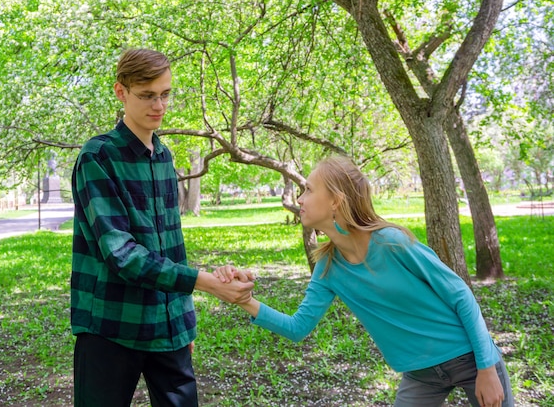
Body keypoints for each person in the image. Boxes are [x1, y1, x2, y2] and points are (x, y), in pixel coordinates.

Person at [215, 155, 514, 407]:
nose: (300, 198)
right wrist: (246, 301)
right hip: (420, 374)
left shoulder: (392, 243)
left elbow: (461, 295)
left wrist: (486, 367)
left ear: (335, 201)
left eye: (308, 190)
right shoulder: (328, 267)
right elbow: (298, 327)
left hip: (471, 358)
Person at [71, 48, 254, 407]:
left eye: (165, 94)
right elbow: (121, 254)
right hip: (111, 326)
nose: (159, 105)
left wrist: (183, 321)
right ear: (121, 92)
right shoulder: (98, 156)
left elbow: (171, 245)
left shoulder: (163, 155)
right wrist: (203, 282)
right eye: (147, 95)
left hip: (167, 326)